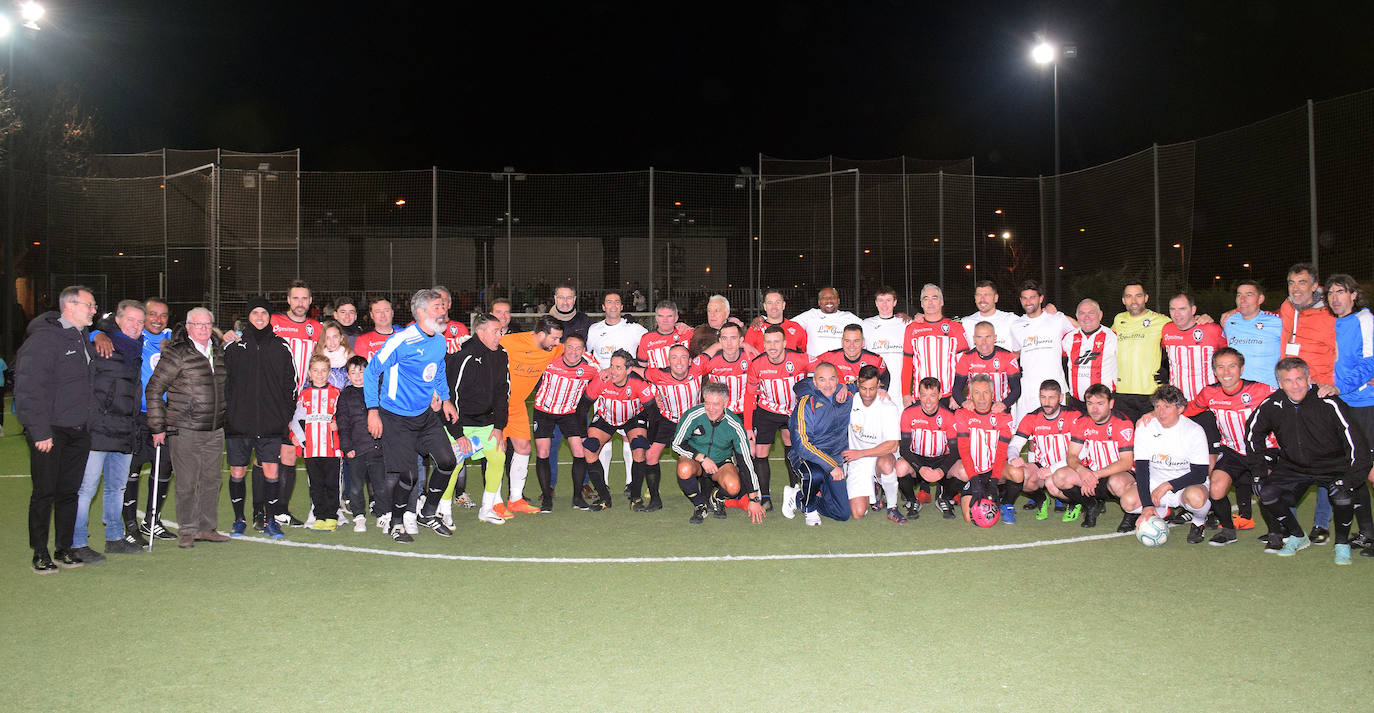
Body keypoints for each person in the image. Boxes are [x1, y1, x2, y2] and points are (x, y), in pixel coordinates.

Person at [1246, 357, 1372, 563]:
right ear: (1280, 383)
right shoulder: (1272, 404)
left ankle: (1341, 544)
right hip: (1294, 467)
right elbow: (1252, 434)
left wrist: (1351, 478)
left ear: (1309, 379)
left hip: (1333, 465)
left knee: (1342, 494)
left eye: (1299, 379)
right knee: (1265, 491)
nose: (1295, 386)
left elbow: (1356, 441)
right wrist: (1259, 471)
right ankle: (1298, 536)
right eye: (1288, 380)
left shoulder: (1328, 401)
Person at [362, 289, 460, 543]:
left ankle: (427, 513)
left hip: (424, 415)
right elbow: (372, 372)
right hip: (395, 417)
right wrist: (372, 411)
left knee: (448, 462)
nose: (443, 312)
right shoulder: (401, 341)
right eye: (437, 307)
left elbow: (438, 369)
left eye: (443, 307)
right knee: (409, 476)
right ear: (420, 313)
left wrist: (446, 397)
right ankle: (396, 523)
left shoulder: (439, 340)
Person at [17, 286, 98, 572]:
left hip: (78, 430)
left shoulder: (82, 339)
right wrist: (39, 431)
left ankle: (63, 548)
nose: (93, 310)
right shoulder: (44, 340)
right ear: (71, 306)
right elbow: (28, 388)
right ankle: (40, 552)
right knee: (44, 492)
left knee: (68, 492)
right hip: (50, 430)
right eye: (90, 305)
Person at [146, 307, 230, 549]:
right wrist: (157, 426)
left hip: (214, 429)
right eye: (198, 324)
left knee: (212, 480)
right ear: (189, 326)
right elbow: (154, 389)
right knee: (186, 481)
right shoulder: (177, 353)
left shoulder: (219, 351)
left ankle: (207, 528)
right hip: (185, 429)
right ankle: (187, 529)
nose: (203, 328)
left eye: (207, 324)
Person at [72, 300, 146, 563]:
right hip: (98, 430)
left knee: (116, 489)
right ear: (118, 320)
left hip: (125, 430)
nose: (136, 326)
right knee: (86, 489)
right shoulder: (99, 345)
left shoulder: (135, 351)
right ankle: (77, 542)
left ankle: (114, 538)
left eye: (140, 321)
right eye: (131, 320)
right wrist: (97, 332)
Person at [1183, 347, 1277, 547]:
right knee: (1215, 488)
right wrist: (1158, 415)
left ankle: (1276, 533)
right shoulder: (1209, 393)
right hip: (1233, 450)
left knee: (1263, 489)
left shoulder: (1261, 390)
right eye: (1221, 367)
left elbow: (1291, 399)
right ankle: (1228, 530)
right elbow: (1188, 410)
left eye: (1232, 366)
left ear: (1242, 369)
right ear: (1214, 371)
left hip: (1263, 449)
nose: (1226, 372)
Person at [222, 296, 296, 539]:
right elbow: (225, 385)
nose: (260, 317)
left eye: (264, 313)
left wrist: (282, 416)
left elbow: (291, 386)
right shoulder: (234, 348)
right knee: (237, 472)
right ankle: (239, 519)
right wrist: (230, 415)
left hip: (270, 424)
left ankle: (270, 521)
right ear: (248, 317)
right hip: (239, 424)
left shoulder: (281, 347)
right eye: (255, 313)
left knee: (271, 472)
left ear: (270, 317)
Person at [1122, 385, 1212, 545]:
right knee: (1128, 502)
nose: (1161, 412)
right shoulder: (1145, 427)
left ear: (1180, 409)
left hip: (1186, 484)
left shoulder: (1194, 431)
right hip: (1155, 483)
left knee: (1196, 498)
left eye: (1167, 406)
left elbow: (1200, 473)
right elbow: (1142, 470)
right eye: (1157, 406)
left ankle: (1199, 521)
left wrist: (1167, 486)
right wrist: (1147, 506)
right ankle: (1161, 510)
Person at [1323, 274, 1374, 551]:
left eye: (1341, 291)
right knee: (1352, 471)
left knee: (1370, 472)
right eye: (1331, 292)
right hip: (1343, 404)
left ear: (1354, 294)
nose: (1335, 297)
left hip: (1367, 403)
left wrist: (1338, 387)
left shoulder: (1364, 319)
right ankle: (1367, 532)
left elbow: (1370, 362)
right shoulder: (1334, 322)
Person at [445, 313, 511, 523]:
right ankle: (443, 511)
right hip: (459, 422)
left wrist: (499, 426)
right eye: (495, 331)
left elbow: (504, 391)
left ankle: (487, 508)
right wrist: (457, 433)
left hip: (486, 423)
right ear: (480, 332)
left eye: (501, 331)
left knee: (498, 456)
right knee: (452, 464)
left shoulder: (501, 354)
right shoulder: (463, 354)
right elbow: (450, 394)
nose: (499, 336)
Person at [744, 325, 815, 512]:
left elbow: (825, 368)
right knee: (760, 452)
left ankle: (795, 490)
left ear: (785, 343)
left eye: (777, 341)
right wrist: (748, 427)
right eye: (768, 342)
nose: (772, 346)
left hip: (793, 411)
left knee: (792, 447)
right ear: (764, 344)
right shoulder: (757, 364)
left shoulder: (800, 359)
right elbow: (750, 396)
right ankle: (765, 497)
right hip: (767, 411)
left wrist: (839, 386)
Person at [672, 381, 764, 525]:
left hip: (720, 463)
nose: (711, 409)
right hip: (696, 460)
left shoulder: (734, 424)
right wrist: (701, 457)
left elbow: (745, 461)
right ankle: (700, 505)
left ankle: (717, 497)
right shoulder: (692, 415)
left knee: (733, 487)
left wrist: (754, 499)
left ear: (725, 403)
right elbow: (676, 444)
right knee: (683, 468)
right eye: (707, 403)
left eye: (716, 404)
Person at [269, 280, 323, 526]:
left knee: (290, 452)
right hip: (275, 398)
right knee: (267, 455)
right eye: (296, 298)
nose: (300, 303)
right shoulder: (275, 323)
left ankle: (281, 510)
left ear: (310, 301)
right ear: (288, 300)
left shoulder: (316, 328)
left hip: (303, 401)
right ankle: (264, 510)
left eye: (305, 299)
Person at [121, 297, 175, 543]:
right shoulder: (132, 335)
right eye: (152, 314)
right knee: (131, 469)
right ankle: (129, 526)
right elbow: (99, 331)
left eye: (163, 315)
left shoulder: (173, 339)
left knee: (163, 467)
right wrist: (98, 334)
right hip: (135, 416)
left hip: (164, 415)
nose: (158, 319)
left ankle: (152, 521)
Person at [500, 317, 565, 516]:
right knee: (496, 453)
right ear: (541, 334)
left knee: (524, 448)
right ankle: (493, 502)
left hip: (518, 406)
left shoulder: (554, 348)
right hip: (497, 405)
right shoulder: (510, 342)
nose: (557, 343)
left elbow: (576, 353)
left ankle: (515, 499)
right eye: (554, 338)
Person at [586, 291, 648, 493]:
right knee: (602, 438)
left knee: (629, 438)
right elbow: (588, 357)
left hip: (629, 393)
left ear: (622, 306)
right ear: (603, 307)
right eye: (609, 302)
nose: (613, 305)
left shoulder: (635, 328)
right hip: (603, 393)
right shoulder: (594, 330)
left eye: (617, 302)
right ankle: (601, 483)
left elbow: (655, 340)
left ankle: (631, 483)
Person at [532, 333, 602, 509]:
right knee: (543, 451)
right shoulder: (549, 359)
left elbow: (605, 377)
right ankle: (547, 497)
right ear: (563, 347)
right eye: (570, 347)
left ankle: (577, 497)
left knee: (579, 451)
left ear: (584, 351)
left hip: (570, 412)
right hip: (544, 411)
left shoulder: (591, 367)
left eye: (578, 348)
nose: (573, 351)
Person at [583, 350, 657, 510]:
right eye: (611, 366)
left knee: (639, 449)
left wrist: (650, 438)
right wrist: (583, 434)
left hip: (633, 417)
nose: (613, 371)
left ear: (629, 369)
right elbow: (583, 406)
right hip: (606, 417)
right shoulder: (602, 380)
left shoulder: (638, 383)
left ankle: (635, 497)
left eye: (618, 367)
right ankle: (604, 498)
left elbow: (652, 411)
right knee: (589, 449)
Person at [1058, 383, 1136, 530]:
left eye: (1100, 403)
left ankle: (1131, 514)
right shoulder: (1082, 422)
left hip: (1118, 473)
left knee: (1117, 482)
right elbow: (1072, 455)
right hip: (1093, 472)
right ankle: (1091, 504)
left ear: (1111, 403)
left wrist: (1096, 474)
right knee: (1059, 477)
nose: (1094, 409)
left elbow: (1126, 462)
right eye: (1090, 403)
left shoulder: (1122, 423)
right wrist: (1082, 470)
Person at [640, 344, 709, 509]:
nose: (679, 362)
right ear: (668, 361)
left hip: (693, 422)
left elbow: (712, 350)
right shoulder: (658, 374)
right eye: (674, 357)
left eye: (683, 357)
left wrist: (743, 344)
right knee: (650, 455)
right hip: (667, 420)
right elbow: (638, 372)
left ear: (690, 360)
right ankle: (655, 498)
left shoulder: (697, 369)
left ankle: (705, 496)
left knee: (704, 455)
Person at [785, 363, 852, 526]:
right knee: (815, 475)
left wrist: (881, 390)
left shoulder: (846, 397)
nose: (828, 384)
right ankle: (808, 507)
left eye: (832, 379)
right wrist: (831, 466)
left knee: (842, 513)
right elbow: (801, 444)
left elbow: (864, 384)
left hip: (835, 459)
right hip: (807, 457)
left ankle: (798, 498)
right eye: (822, 380)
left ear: (838, 381)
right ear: (814, 382)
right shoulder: (806, 403)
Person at [1005, 380, 1081, 523]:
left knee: (1052, 484)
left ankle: (1075, 501)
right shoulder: (1031, 417)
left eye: (1052, 397)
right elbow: (1014, 445)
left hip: (1069, 465)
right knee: (1021, 475)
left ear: (1061, 397)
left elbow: (1081, 452)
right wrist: (1013, 458)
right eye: (1043, 397)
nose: (1047, 402)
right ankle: (1041, 499)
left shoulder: (1074, 416)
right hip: (1043, 466)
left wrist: (1052, 469)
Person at [951, 375, 1018, 524]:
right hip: (972, 471)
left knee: (1017, 473)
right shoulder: (962, 414)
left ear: (992, 394)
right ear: (970, 395)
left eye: (986, 392)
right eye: (976, 392)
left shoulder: (1004, 416)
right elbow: (964, 451)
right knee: (970, 518)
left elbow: (1001, 453)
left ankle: (1006, 502)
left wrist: (993, 482)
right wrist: (975, 481)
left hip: (995, 471)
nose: (981, 398)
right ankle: (952, 494)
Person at [842, 365, 904, 522]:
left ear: (879, 386)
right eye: (863, 388)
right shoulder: (850, 401)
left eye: (872, 388)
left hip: (880, 456)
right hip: (858, 462)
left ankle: (892, 508)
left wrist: (860, 453)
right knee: (857, 513)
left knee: (886, 465)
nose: (868, 394)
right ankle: (874, 487)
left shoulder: (888, 407)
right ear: (857, 385)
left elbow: (892, 445)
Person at [1008, 280, 1075, 422]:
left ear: (1041, 298)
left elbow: (1082, 328)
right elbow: (1017, 353)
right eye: (1024, 298)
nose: (1028, 302)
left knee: (1056, 430)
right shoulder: (1016, 325)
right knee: (1031, 433)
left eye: (1032, 297)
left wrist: (1059, 313)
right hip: (1029, 387)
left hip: (1054, 385)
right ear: (1020, 300)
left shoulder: (1056, 319)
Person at [894, 377, 960, 519]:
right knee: (900, 467)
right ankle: (912, 501)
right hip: (917, 458)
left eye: (932, 395)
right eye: (924, 395)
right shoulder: (908, 414)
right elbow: (904, 449)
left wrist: (942, 470)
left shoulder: (949, 416)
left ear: (940, 395)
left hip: (942, 459)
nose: (928, 401)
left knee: (964, 470)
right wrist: (920, 468)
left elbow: (955, 451)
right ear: (918, 395)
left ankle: (944, 498)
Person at [290, 355, 343, 531]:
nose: (320, 374)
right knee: (316, 485)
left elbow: (344, 417)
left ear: (328, 373)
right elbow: (296, 419)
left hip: (331, 448)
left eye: (323, 370)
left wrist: (339, 426)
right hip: (311, 449)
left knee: (332, 484)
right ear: (309, 374)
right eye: (315, 370)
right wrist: (299, 439)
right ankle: (319, 516)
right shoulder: (304, 395)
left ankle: (332, 516)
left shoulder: (336, 393)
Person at [336, 355, 383, 533]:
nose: (357, 376)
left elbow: (384, 418)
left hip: (377, 448)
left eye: (361, 372)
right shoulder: (345, 395)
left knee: (380, 483)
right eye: (353, 372)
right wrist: (347, 447)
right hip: (356, 449)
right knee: (355, 486)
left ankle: (383, 513)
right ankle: (359, 516)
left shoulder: (377, 390)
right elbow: (343, 424)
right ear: (347, 375)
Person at [901, 284, 969, 406]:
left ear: (942, 301)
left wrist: (958, 394)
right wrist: (905, 394)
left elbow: (964, 365)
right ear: (921, 304)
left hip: (949, 396)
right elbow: (906, 365)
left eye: (934, 298)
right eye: (926, 298)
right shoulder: (912, 329)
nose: (930, 302)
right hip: (921, 396)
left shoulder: (955, 327)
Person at [1111, 282, 1168, 421]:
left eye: (1138, 296)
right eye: (1129, 296)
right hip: (1122, 392)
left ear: (1146, 298)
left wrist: (1168, 369)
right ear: (1123, 300)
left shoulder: (1161, 320)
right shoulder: (1119, 319)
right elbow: (1102, 338)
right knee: (1126, 439)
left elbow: (1183, 334)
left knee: (1151, 438)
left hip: (1151, 392)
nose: (1134, 301)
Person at [1161, 293, 1227, 402]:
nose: (1177, 314)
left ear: (1193, 310)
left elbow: (1226, 356)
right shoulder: (1167, 329)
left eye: (1182, 309)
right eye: (1172, 309)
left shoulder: (1212, 329)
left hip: (1207, 401)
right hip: (1177, 401)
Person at [1279, 263, 1336, 386]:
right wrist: (1237, 311)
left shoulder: (1330, 314)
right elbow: (1262, 314)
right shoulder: (1287, 307)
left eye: (1302, 283)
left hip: (1321, 386)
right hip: (1292, 384)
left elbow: (1347, 350)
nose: (1295, 288)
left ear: (1314, 286)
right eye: (1291, 283)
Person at [951, 321, 1021, 412]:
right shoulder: (966, 358)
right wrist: (964, 402)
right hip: (974, 410)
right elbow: (956, 388)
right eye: (979, 337)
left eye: (988, 337)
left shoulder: (1007, 356)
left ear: (995, 338)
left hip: (999, 410)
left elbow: (1016, 388)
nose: (984, 342)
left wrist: (1004, 404)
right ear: (974, 339)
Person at [1222, 280, 1282, 387]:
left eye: (1249, 295)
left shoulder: (1276, 322)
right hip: (1238, 391)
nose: (1242, 299)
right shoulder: (1228, 321)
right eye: (1239, 295)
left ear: (1260, 299)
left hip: (1268, 390)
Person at [1061, 298, 1118, 408]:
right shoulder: (1068, 338)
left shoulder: (1113, 337)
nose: (1086, 317)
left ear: (1100, 315)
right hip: (1076, 403)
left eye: (1091, 313)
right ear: (1077, 316)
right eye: (1082, 313)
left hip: (1103, 403)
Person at [792, 286, 861, 358]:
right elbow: (787, 326)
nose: (829, 300)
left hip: (841, 365)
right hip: (814, 366)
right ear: (819, 302)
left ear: (838, 301)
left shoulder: (849, 317)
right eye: (824, 297)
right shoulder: (810, 315)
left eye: (833, 297)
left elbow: (868, 330)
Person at [815, 323, 889, 387]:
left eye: (856, 341)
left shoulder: (875, 360)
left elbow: (885, 379)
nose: (851, 345)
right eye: (847, 341)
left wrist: (881, 390)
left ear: (863, 342)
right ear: (842, 342)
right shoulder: (828, 357)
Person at [702, 322, 751, 415]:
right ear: (719, 341)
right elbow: (691, 372)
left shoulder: (750, 358)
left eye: (733, 338)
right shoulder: (711, 361)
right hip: (719, 412)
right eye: (725, 338)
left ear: (741, 340)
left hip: (746, 412)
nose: (729, 343)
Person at [862, 286, 910, 378]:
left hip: (899, 381)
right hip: (874, 380)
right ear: (876, 303)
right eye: (881, 300)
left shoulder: (906, 324)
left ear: (894, 302)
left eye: (888, 300)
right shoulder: (865, 324)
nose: (884, 304)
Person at [959, 280, 1020, 351]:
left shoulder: (1011, 319)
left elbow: (1021, 349)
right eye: (978, 295)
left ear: (996, 298)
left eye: (987, 295)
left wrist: (1008, 361)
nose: (982, 299)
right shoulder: (965, 323)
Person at [745, 289, 807, 354]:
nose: (774, 307)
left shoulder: (796, 327)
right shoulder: (755, 328)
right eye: (770, 303)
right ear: (765, 306)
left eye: (777, 302)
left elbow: (804, 353)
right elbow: (747, 357)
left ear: (783, 305)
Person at [637, 300, 693, 368]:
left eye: (669, 316)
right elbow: (642, 367)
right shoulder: (646, 338)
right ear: (656, 318)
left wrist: (690, 328)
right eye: (661, 316)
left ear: (676, 318)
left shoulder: (687, 332)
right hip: (656, 378)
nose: (665, 320)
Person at [313, 321, 354, 389]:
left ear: (341, 338)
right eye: (328, 338)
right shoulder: (317, 358)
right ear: (323, 340)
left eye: (335, 337)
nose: (332, 342)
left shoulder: (350, 357)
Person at [433, 285, 471, 353]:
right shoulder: (417, 328)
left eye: (443, 300)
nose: (440, 303)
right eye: (435, 299)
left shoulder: (461, 329)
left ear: (449, 304)